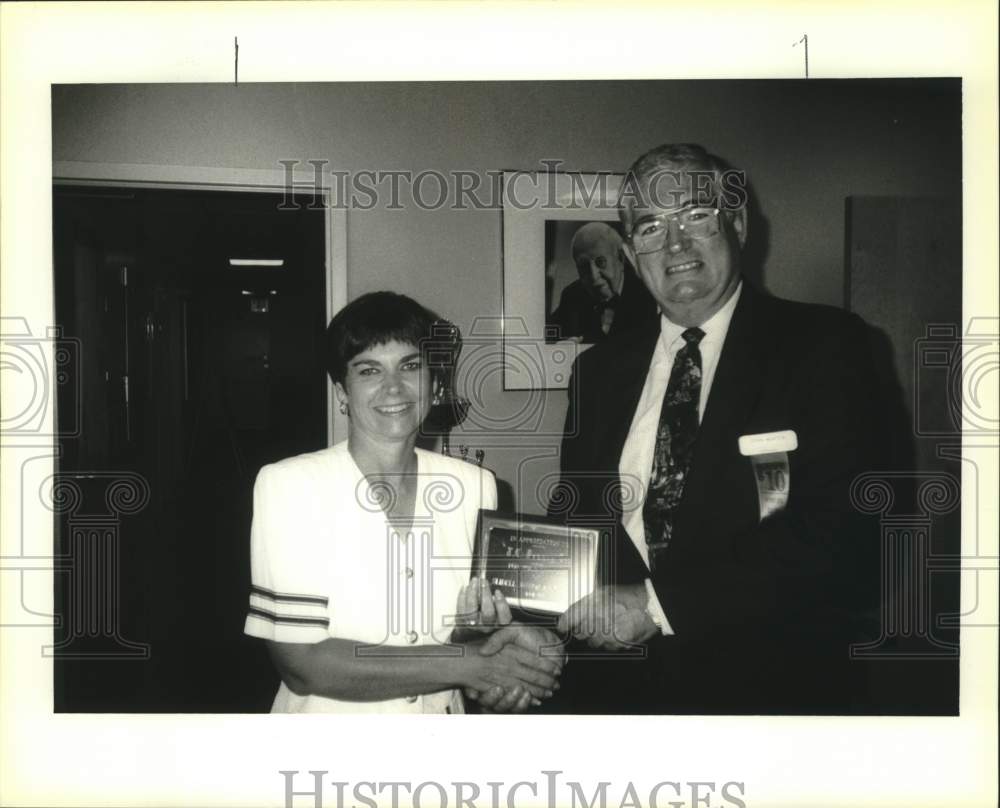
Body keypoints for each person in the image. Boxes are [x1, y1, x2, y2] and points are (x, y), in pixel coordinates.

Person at [549, 144, 888, 714]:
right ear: (632, 254)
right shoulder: (597, 372)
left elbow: (847, 535)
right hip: (617, 697)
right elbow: (577, 522)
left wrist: (657, 607)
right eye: (651, 226)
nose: (675, 244)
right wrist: (533, 624)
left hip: (767, 692)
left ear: (737, 222)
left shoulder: (827, 347)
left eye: (695, 216)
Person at [244, 291, 564, 713]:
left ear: (434, 383)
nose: (393, 387)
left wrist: (505, 664)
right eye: (369, 370)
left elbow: (470, 644)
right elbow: (302, 664)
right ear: (342, 391)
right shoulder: (290, 485)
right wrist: (470, 666)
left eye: (410, 366)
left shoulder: (476, 486)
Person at [548, 221, 656, 343]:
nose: (594, 276)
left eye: (601, 262)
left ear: (620, 258)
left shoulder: (650, 294)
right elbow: (544, 336)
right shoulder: (572, 296)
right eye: (584, 266)